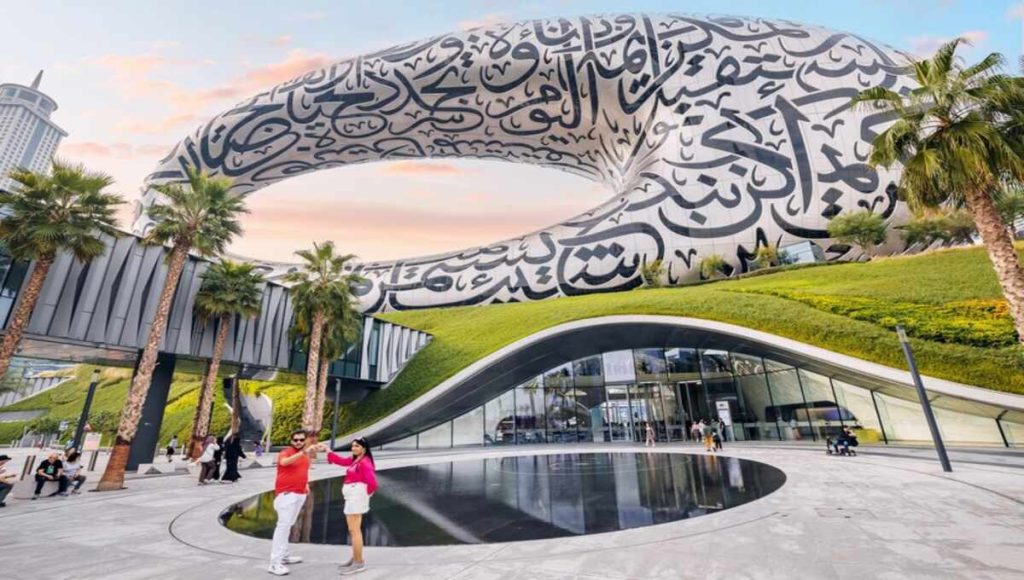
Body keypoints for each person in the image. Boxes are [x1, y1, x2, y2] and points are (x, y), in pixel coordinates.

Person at [269, 429, 320, 576]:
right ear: (291, 441)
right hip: (286, 495)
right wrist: (303, 452)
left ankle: (284, 555)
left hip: (299, 494)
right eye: (295, 440)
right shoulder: (286, 452)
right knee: (283, 527)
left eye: (301, 440)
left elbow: (303, 471)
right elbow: (284, 462)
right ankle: (274, 563)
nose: (298, 442)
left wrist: (306, 484)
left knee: (289, 525)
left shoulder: (305, 457)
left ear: (305, 441)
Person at [326, 437, 378, 576]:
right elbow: (341, 461)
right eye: (353, 446)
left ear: (364, 448)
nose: (353, 448)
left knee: (354, 530)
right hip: (352, 497)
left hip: (356, 498)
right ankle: (355, 557)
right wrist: (328, 451)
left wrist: (365, 495)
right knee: (353, 529)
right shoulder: (356, 460)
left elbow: (373, 483)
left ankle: (358, 562)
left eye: (357, 446)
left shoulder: (365, 463)